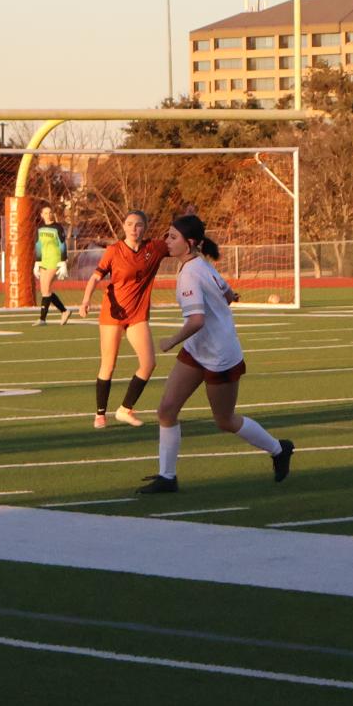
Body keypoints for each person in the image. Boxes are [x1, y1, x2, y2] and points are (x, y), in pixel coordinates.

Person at [138, 214, 292, 494]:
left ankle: (279, 449)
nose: (167, 241)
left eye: (173, 237)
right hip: (198, 349)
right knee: (166, 410)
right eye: (167, 235)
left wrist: (171, 340)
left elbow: (196, 320)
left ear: (191, 243)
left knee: (224, 420)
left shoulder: (189, 273)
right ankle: (167, 477)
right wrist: (230, 298)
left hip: (220, 356)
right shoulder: (199, 264)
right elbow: (227, 292)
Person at [75, 210, 166, 427]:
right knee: (108, 364)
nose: (134, 228)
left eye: (138, 225)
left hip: (137, 315)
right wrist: (86, 300)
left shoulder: (154, 248)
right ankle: (100, 414)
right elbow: (95, 277)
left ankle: (125, 409)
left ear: (145, 228)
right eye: (129, 224)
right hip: (112, 313)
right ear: (123, 227)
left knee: (149, 363)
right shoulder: (114, 251)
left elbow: (179, 243)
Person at [34, 205, 72, 324]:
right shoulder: (39, 228)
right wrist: (37, 262)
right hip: (44, 261)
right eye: (45, 213)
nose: (48, 215)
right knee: (45, 290)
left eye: (50, 212)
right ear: (41, 215)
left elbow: (62, 245)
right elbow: (38, 245)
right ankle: (64, 311)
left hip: (54, 260)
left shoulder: (58, 227)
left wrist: (63, 261)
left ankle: (42, 319)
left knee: (46, 290)